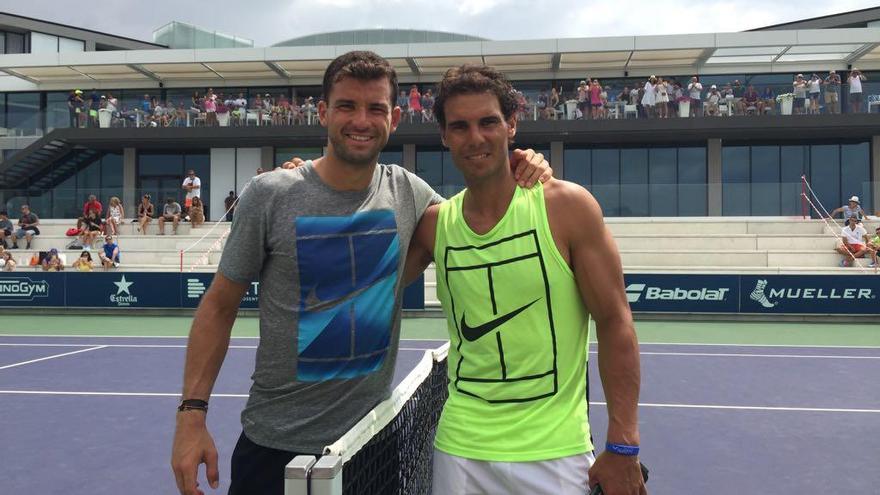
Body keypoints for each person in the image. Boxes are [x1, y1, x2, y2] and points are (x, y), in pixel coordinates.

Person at [170, 50, 553, 495]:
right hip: (274, 447)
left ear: (393, 118)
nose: (361, 120)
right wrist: (191, 415)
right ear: (322, 113)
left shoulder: (410, 193)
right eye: (347, 106)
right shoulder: (270, 194)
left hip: (369, 444)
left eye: (375, 109)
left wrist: (527, 164)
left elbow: (482, 209)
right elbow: (218, 305)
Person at [405, 63, 644, 495]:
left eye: (488, 122)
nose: (475, 138)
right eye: (459, 127)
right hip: (460, 450)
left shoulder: (567, 207)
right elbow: (362, 281)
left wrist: (623, 444)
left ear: (512, 125)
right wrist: (301, 173)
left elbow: (615, 321)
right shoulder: (434, 226)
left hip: (556, 454)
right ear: (444, 136)